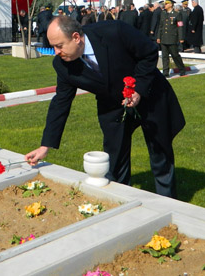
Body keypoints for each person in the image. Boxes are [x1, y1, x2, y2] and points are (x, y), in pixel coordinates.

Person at [25, 16, 186, 198]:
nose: (56, 52)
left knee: (160, 155)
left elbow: (149, 52)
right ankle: (122, 203)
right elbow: (60, 102)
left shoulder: (114, 31)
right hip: (112, 107)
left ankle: (168, 203)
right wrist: (45, 145)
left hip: (150, 95)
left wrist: (138, 90)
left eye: (59, 46)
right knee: (115, 161)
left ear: (76, 37)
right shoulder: (63, 66)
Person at [156, 0, 186, 77]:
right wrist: (158, 37)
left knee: (175, 55)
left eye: (166, 4)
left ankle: (182, 69)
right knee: (164, 56)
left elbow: (180, 26)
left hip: (172, 38)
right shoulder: (163, 13)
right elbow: (161, 26)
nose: (164, 5)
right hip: (164, 38)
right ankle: (165, 72)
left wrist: (181, 37)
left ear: (170, 5)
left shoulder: (177, 14)